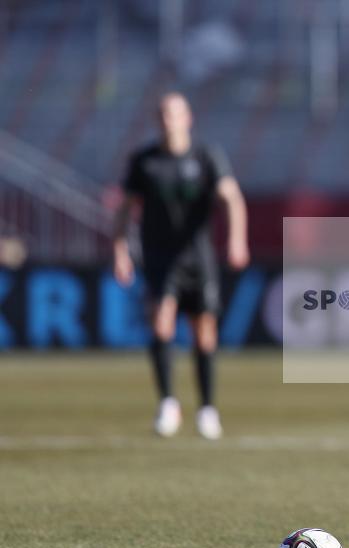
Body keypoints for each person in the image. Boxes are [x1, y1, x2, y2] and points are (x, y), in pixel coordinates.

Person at [113, 92, 249, 440]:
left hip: (198, 258)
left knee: (204, 332)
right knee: (161, 323)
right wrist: (120, 249)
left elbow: (231, 197)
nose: (167, 119)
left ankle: (207, 409)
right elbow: (125, 208)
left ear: (187, 118)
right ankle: (168, 404)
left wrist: (236, 240)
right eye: (162, 114)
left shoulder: (206, 157)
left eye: (174, 113)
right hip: (159, 258)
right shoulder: (145, 161)